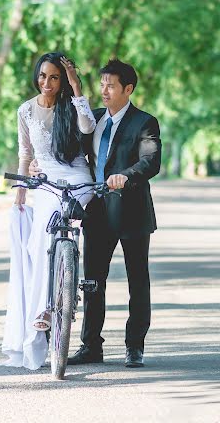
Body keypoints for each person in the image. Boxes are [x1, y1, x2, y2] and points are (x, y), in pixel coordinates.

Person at [30, 58, 161, 368]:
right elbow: (67, 151)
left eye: (111, 85)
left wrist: (126, 175)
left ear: (127, 89)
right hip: (97, 209)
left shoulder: (145, 122)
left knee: (137, 281)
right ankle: (91, 346)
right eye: (102, 84)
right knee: (91, 282)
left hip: (131, 212)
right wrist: (40, 164)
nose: (104, 90)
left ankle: (134, 346)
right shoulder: (94, 118)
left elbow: (150, 161)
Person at [1, 52, 96, 370]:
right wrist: (21, 192)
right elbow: (25, 151)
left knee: (66, 218)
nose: (47, 82)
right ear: (36, 76)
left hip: (77, 177)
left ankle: (70, 275)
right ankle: (43, 309)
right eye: (43, 76)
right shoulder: (25, 109)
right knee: (37, 243)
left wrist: (77, 89)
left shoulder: (71, 105)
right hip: (45, 181)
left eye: (54, 77)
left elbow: (87, 127)